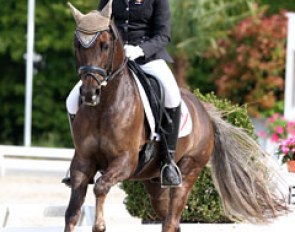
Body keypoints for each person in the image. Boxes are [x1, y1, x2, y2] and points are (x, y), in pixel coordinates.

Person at [65, 0, 182, 187]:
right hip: (114, 59)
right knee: (72, 100)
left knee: (172, 94)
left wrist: (141, 50)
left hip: (147, 57)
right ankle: (80, 155)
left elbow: (163, 35)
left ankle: (168, 161)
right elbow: (100, 22)